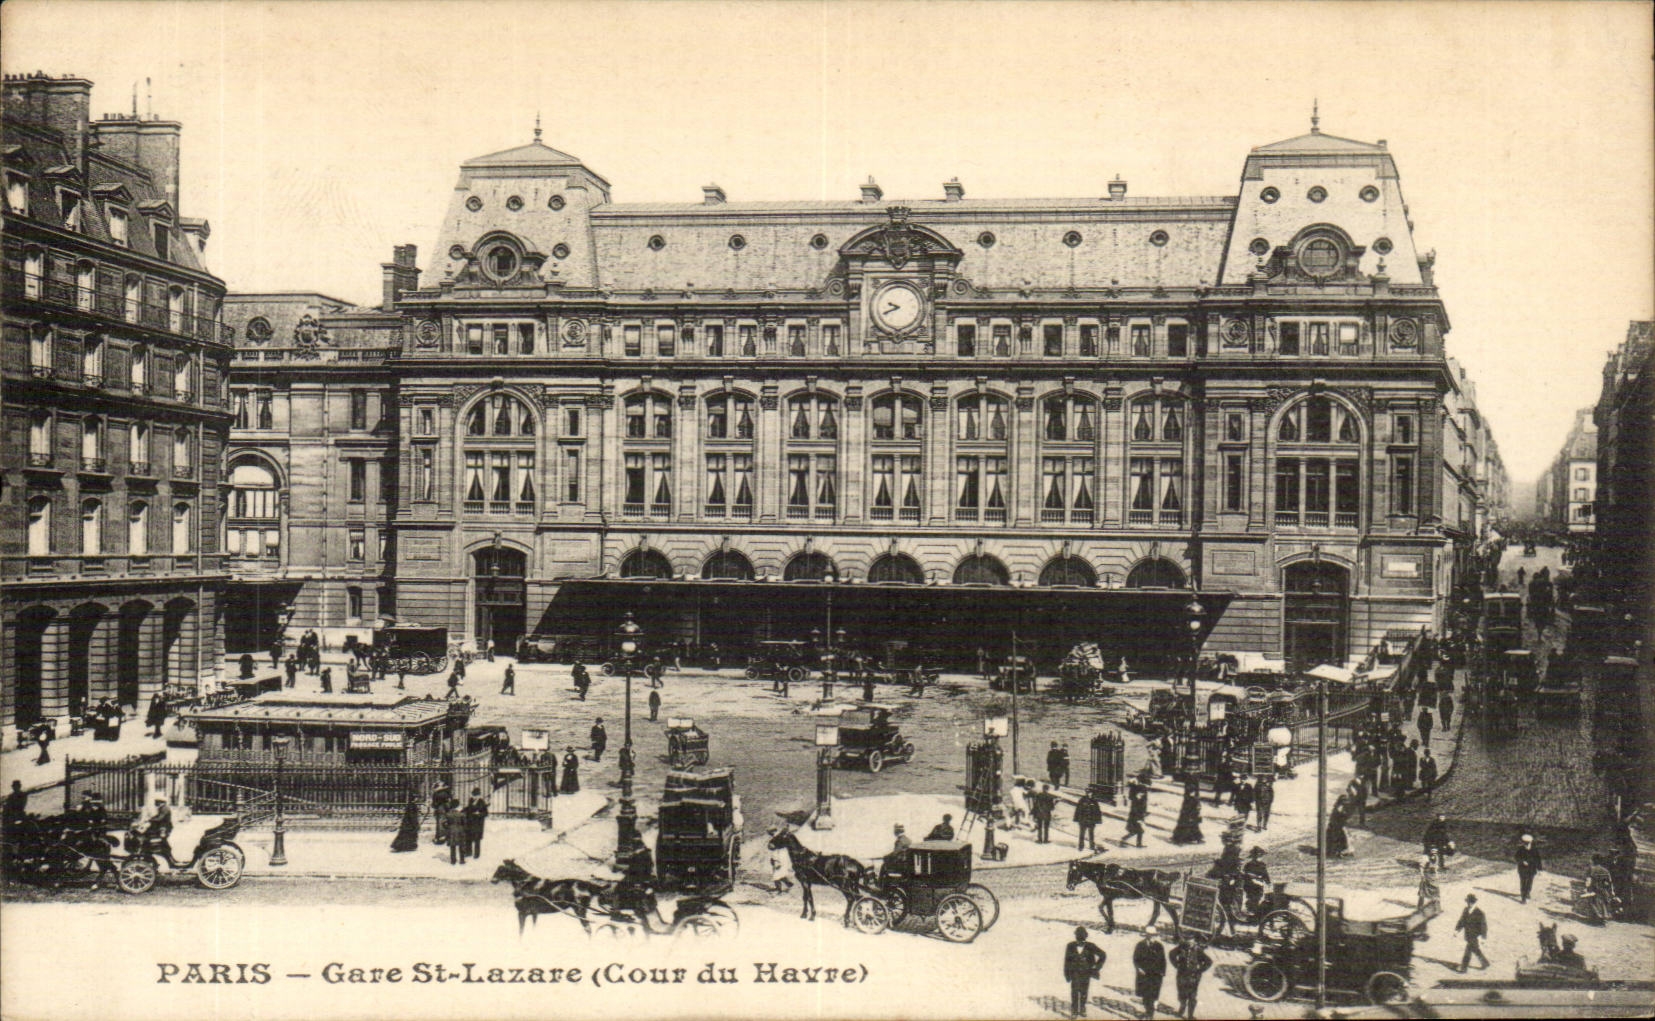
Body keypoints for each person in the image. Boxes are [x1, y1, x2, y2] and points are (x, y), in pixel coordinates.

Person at [1063, 926, 1107, 1019]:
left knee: (1084, 991)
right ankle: (1074, 1011)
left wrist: (1097, 967)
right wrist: (1067, 974)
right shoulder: (1070, 945)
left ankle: (1082, 1008)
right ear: (1075, 936)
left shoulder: (1091, 946)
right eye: (1078, 936)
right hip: (1074, 973)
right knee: (1074, 991)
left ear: (1085, 937)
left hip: (1086, 973)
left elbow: (1103, 955)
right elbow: (1067, 961)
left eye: (1082, 936)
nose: (1080, 938)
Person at [1168, 933, 1212, 1020]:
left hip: (1193, 977)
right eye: (1187, 940)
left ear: (1194, 941)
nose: (1189, 942)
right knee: (1182, 994)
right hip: (1182, 975)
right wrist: (1176, 965)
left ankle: (1190, 1016)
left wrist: (1200, 970)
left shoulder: (1198, 950)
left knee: (1192, 996)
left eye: (1191, 940)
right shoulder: (1181, 947)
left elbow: (1209, 961)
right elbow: (1171, 954)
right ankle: (1181, 1009)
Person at [1133, 928, 1168, 1020]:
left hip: (1155, 975)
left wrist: (1162, 972)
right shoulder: (1140, 945)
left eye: (1155, 935)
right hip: (1144, 974)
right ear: (1147, 935)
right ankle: (1147, 1012)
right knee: (1145, 996)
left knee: (1152, 995)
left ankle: (1149, 1015)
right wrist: (1138, 968)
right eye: (1152, 935)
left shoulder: (1159, 946)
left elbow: (1163, 960)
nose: (1154, 937)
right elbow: (1135, 959)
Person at [1454, 893, 1489, 971]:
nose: (1470, 904)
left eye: (1471, 902)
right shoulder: (1465, 910)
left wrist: (1483, 938)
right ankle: (1485, 963)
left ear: (1474, 902)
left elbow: (1483, 926)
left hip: (1475, 935)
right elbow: (1461, 921)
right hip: (1468, 934)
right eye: (1469, 902)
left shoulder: (1480, 913)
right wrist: (1457, 930)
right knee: (1475, 949)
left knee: (1468, 950)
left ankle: (1463, 967)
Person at [1170, 780, 1204, 845]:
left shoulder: (1193, 798)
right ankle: (1180, 840)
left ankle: (1197, 839)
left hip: (1192, 815)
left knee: (1194, 827)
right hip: (1187, 816)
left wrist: (1198, 811)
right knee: (1185, 828)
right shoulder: (1188, 799)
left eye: (1193, 792)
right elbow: (1187, 808)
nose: (1193, 793)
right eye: (1191, 792)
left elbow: (1197, 807)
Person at [1242, 847, 1271, 919]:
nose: (1257, 858)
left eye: (1259, 856)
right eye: (1256, 856)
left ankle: (1255, 914)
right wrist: (1251, 877)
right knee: (1251, 898)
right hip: (1249, 885)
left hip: (1259, 885)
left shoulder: (1262, 865)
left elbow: (1265, 875)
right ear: (1252, 857)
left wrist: (1268, 882)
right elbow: (1245, 875)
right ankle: (1251, 913)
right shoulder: (1248, 865)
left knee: (1258, 898)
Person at [1514, 834, 1542, 904]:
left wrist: (1539, 869)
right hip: (1522, 869)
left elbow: (1538, 859)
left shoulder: (1534, 850)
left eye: (1527, 843)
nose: (1526, 844)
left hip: (1532, 868)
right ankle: (1523, 898)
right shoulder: (1520, 849)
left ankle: (1528, 892)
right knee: (1523, 882)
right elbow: (1516, 857)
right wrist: (1522, 861)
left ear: (1530, 842)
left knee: (1530, 881)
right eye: (1524, 842)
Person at [463, 787, 489, 859]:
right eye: (474, 795)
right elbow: (468, 808)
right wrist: (463, 810)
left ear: (479, 795)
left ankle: (476, 855)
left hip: (478, 823)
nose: (475, 797)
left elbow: (486, 813)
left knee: (477, 839)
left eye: (476, 795)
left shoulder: (482, 802)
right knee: (468, 838)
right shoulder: (470, 800)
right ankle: (468, 852)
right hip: (470, 822)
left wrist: (479, 814)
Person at [1124, 776, 1150, 847]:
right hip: (1137, 813)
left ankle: (1125, 840)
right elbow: (1141, 805)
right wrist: (1140, 816)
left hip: (1136, 813)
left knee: (1136, 830)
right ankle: (1134, 842)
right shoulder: (1141, 790)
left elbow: (1132, 797)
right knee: (1139, 830)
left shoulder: (1136, 789)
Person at [768, 827, 795, 893]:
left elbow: (775, 850)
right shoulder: (779, 837)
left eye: (770, 833)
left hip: (779, 857)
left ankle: (779, 890)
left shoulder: (778, 838)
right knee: (780, 873)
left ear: (773, 832)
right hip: (781, 857)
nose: (770, 834)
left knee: (776, 874)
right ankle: (789, 884)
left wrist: (776, 861)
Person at [446, 799, 469, 865]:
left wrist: (448, 828)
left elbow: (444, 823)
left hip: (451, 831)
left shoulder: (448, 814)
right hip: (460, 830)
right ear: (458, 806)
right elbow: (465, 823)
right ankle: (462, 860)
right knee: (461, 845)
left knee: (452, 846)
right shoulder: (462, 814)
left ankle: (453, 860)